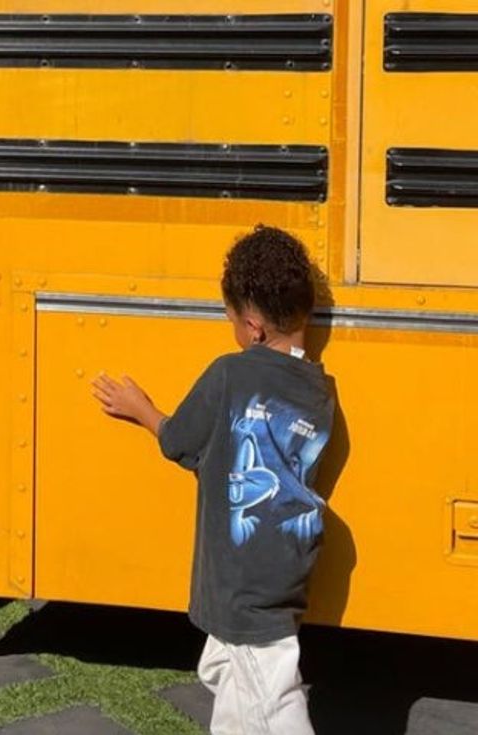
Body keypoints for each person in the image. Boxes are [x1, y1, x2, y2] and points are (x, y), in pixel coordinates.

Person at [92, 225, 334, 735]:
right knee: (228, 673)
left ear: (252, 328)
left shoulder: (231, 374)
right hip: (283, 564)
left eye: (229, 319)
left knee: (272, 701)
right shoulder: (319, 390)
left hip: (242, 577)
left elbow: (181, 439)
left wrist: (141, 410)